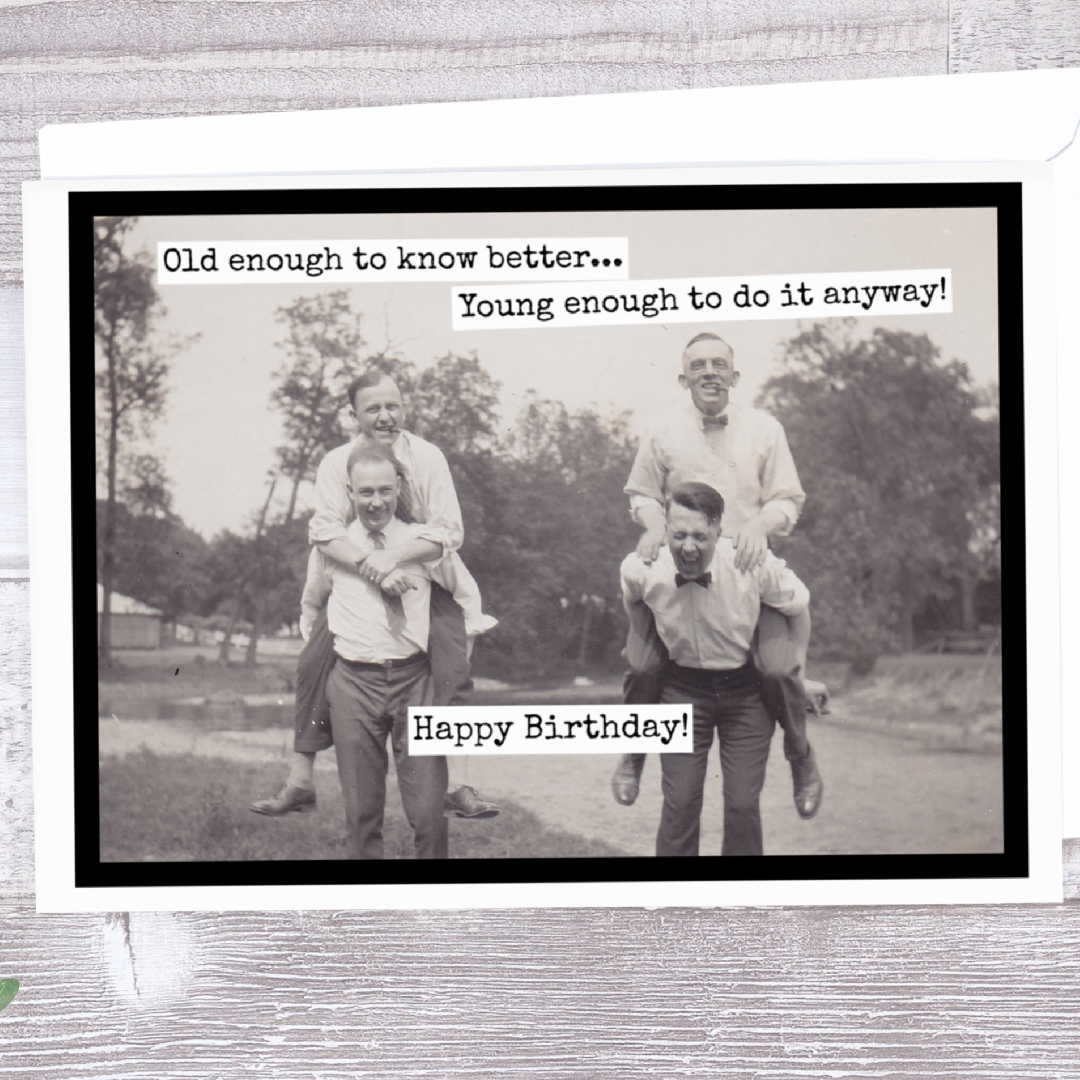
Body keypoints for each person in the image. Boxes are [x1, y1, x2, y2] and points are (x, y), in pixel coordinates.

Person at [250, 369, 498, 819]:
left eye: (393, 406)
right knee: (312, 662)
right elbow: (325, 531)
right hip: (354, 576)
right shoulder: (335, 462)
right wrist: (371, 565)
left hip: (424, 576)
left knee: (453, 666)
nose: (385, 416)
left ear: (404, 406)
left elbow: (449, 531)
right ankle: (300, 780)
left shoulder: (426, 456)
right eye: (373, 408)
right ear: (353, 414)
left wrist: (397, 558)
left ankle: (459, 783)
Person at [613, 331, 824, 818]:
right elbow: (642, 493)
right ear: (684, 378)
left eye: (719, 364)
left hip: (748, 574)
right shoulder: (663, 431)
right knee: (643, 667)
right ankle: (632, 753)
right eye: (699, 365)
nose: (710, 372)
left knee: (776, 669)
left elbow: (787, 500)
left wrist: (758, 524)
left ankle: (800, 757)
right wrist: (652, 526)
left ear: (734, 374)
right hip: (681, 565)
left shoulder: (765, 429)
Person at [620, 481, 811, 857]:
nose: (688, 547)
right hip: (682, 690)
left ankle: (739, 908)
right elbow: (634, 604)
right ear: (666, 532)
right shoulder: (642, 567)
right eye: (678, 536)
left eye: (699, 536)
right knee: (680, 804)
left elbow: (799, 606)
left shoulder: (751, 562)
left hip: (745, 694)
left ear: (718, 531)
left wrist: (800, 668)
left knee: (741, 804)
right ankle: (675, 911)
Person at [303, 438, 450, 858]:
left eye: (385, 490)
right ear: (349, 493)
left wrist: (453, 667)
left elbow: (464, 597)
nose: (376, 501)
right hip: (353, 684)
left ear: (400, 487)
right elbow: (312, 602)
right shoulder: (334, 545)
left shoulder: (420, 541)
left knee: (429, 814)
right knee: (361, 816)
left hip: (415, 682)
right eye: (365, 492)